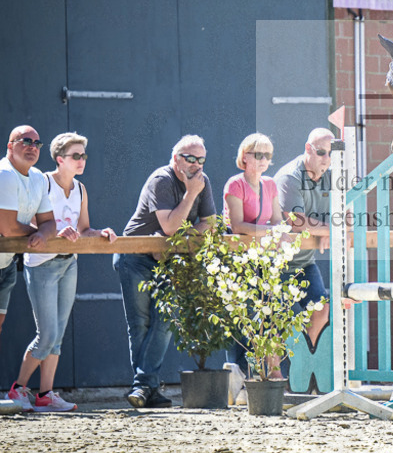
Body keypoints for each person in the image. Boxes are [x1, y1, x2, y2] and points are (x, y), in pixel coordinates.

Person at [9, 133, 117, 412]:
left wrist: (101, 233)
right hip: (42, 263)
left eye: (84, 155)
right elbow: (31, 221)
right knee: (46, 334)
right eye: (76, 156)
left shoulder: (80, 188)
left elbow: (84, 229)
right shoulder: (42, 182)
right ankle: (18, 389)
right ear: (60, 159)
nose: (82, 160)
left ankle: (45, 394)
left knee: (57, 335)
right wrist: (55, 231)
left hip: (70, 262)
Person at [118, 134, 216, 408]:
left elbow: (210, 223)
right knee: (140, 324)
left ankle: (143, 388)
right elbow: (171, 225)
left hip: (166, 258)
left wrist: (175, 245)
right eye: (191, 158)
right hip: (135, 257)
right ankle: (146, 387)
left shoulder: (202, 181)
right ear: (176, 159)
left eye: (202, 160)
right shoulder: (161, 180)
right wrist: (191, 194)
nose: (197, 165)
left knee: (167, 319)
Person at [224, 133, 290, 379]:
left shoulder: (270, 185)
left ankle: (269, 373)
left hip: (264, 257)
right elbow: (238, 225)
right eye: (258, 154)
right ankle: (240, 374)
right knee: (243, 315)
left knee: (268, 313)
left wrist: (276, 231)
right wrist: (273, 232)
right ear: (244, 156)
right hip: (238, 257)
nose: (263, 160)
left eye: (267, 156)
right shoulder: (235, 184)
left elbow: (277, 220)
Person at [1, 126, 57, 411]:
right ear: (10, 146)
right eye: (25, 141)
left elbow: (51, 223)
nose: (32, 146)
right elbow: (8, 227)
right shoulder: (4, 174)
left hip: (6, 263)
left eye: (37, 142)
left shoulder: (37, 177)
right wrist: (37, 232)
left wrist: (42, 234)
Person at [274, 129, 333, 354]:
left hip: (304, 262)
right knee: (275, 319)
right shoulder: (290, 176)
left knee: (321, 309)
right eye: (321, 152)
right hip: (275, 264)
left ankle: (302, 360)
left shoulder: (332, 175)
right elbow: (296, 220)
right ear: (308, 149)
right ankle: (275, 372)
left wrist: (334, 227)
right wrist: (329, 229)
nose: (326, 159)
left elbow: (347, 212)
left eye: (330, 154)